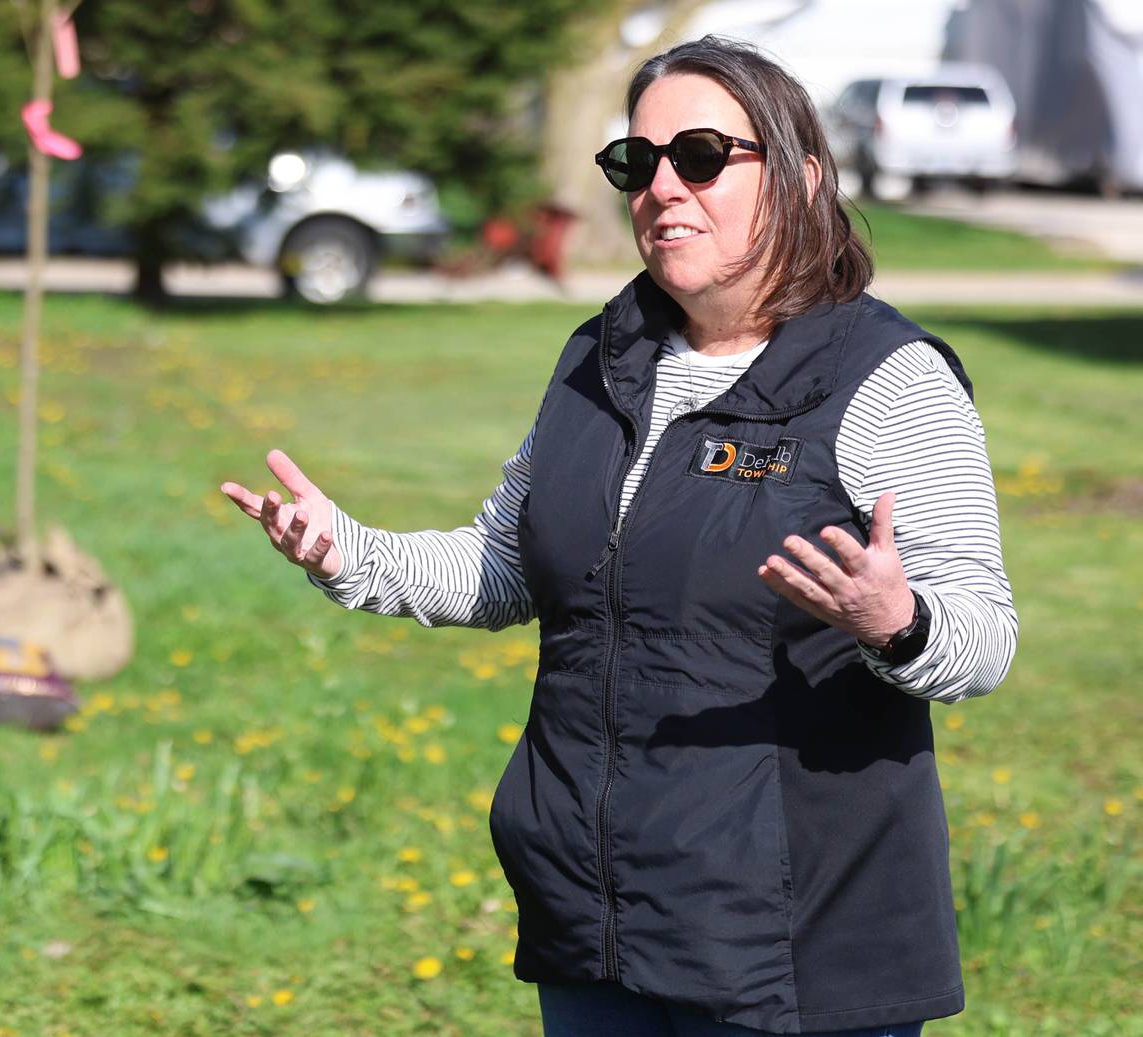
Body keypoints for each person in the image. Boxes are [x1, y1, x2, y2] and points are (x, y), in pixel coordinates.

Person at [220, 36, 1016, 1037]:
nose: (661, 187)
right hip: (593, 918)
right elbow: (508, 564)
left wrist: (895, 621)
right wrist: (347, 550)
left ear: (803, 176)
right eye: (636, 163)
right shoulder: (602, 358)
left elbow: (982, 634)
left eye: (701, 156)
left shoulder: (886, 378)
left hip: (790, 946)